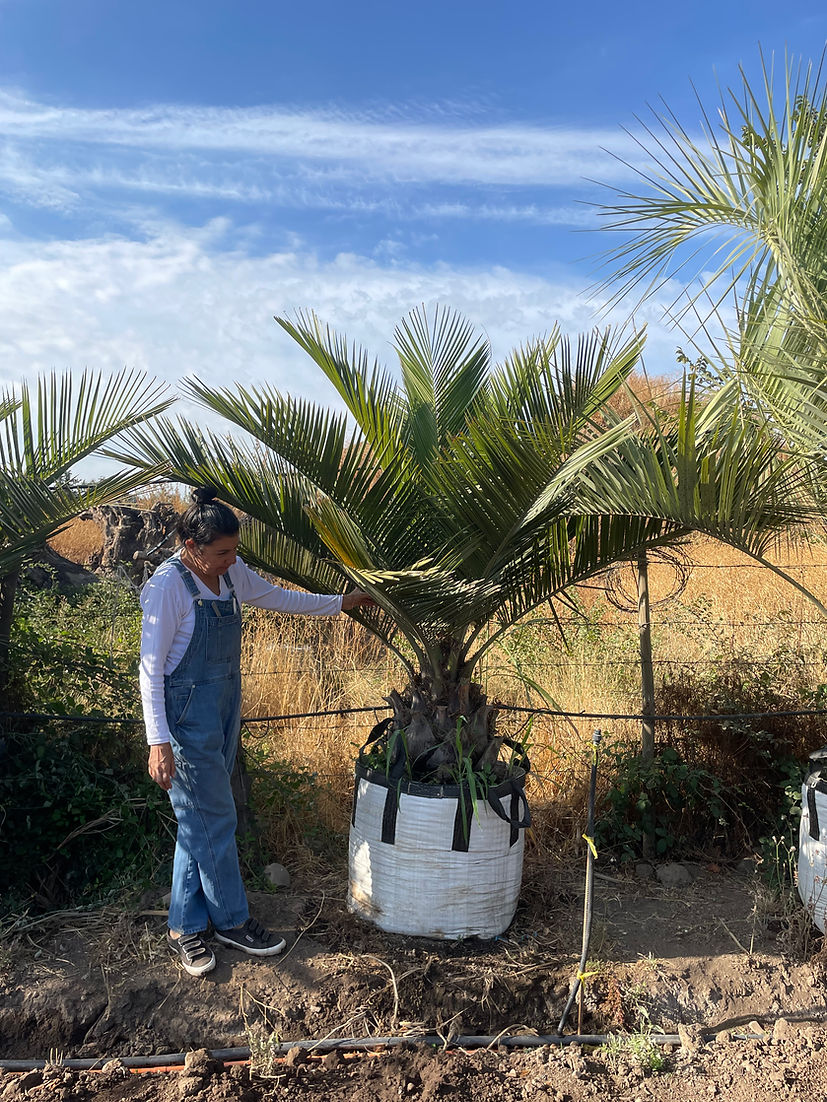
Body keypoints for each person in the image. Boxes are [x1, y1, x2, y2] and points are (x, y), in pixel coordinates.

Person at [140, 486, 373, 977]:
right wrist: (157, 741)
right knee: (216, 819)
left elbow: (277, 596)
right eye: (222, 553)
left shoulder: (230, 576)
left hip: (224, 710)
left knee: (199, 820)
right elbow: (151, 670)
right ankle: (232, 920)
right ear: (191, 546)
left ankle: (185, 926)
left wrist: (340, 602)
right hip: (185, 720)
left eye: (235, 551)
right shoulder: (169, 587)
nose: (231, 560)